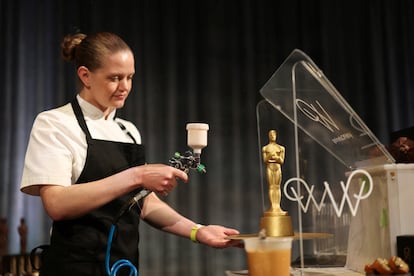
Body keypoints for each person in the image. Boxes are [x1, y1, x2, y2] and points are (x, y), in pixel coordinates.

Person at [20, 32, 240, 275]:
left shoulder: (128, 131)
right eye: (114, 78)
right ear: (85, 75)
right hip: (75, 266)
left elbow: (142, 202)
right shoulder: (55, 123)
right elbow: (57, 203)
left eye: (129, 77)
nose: (124, 87)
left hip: (123, 266)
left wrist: (198, 231)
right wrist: (137, 175)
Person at [262, 130, 286, 215]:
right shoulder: (265, 148)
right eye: (271, 135)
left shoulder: (281, 148)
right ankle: (273, 206)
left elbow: (282, 160)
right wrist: (269, 155)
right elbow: (265, 160)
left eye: (274, 135)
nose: (272, 136)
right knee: (272, 187)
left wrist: (276, 157)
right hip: (270, 167)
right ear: (269, 136)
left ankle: (277, 206)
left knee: (277, 187)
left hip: (277, 167)